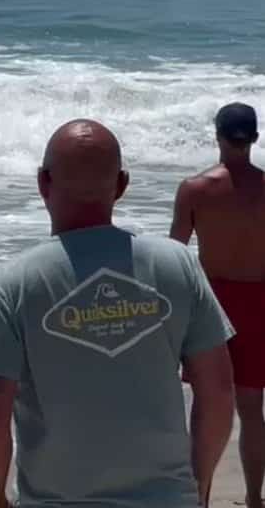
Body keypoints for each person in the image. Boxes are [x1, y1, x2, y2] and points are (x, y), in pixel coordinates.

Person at [0, 119, 234, 508]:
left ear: (43, 183)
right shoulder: (176, 266)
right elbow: (218, 390)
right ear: (122, 185)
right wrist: (198, 487)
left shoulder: (10, 284)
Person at [171, 102, 265, 508]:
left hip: (211, 305)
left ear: (217, 135)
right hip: (259, 301)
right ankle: (255, 499)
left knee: (208, 408)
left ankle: (201, 499)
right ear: (255, 138)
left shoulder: (195, 189)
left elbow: (174, 257)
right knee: (252, 409)